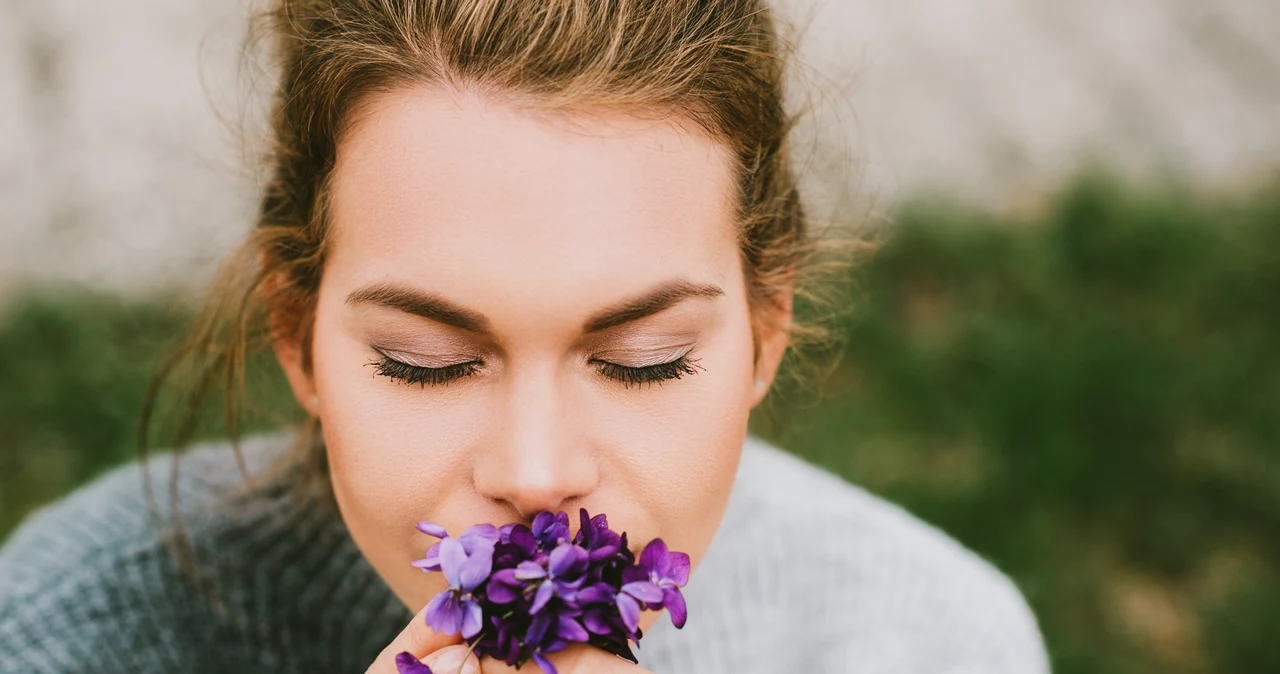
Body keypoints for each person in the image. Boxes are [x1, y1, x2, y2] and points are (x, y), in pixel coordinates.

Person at [0, 1, 1049, 672]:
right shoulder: (58, 634)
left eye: (645, 359)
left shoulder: (929, 636)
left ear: (764, 335)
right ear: (297, 334)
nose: (536, 474)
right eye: (428, 360)